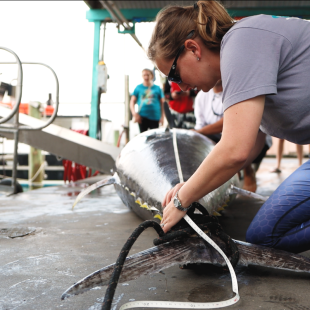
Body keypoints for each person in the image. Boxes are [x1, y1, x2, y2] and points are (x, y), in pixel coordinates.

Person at [147, 1, 310, 254]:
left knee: (267, 234)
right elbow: (252, 140)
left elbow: (236, 150)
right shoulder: (242, 52)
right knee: (264, 235)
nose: (180, 88)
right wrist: (193, 183)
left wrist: (182, 200)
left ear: (192, 48)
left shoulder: (241, 43)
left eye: (175, 76)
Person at [194, 80, 271, 192]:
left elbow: (236, 120)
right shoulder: (201, 97)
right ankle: (235, 170)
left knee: (242, 136)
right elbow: (200, 130)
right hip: (217, 141)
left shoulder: (239, 88)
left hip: (253, 141)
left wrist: (200, 131)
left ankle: (246, 168)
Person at [130, 69, 165, 133]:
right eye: (144, 75)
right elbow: (132, 101)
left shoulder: (157, 88)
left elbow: (162, 103)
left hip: (155, 117)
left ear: (152, 76)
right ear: (142, 76)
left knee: (154, 137)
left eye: (148, 75)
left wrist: (162, 117)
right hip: (142, 117)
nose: (146, 77)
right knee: (143, 137)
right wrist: (134, 114)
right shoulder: (138, 87)